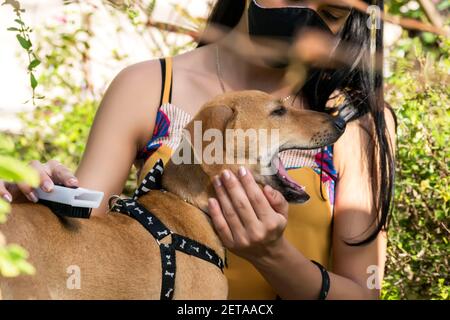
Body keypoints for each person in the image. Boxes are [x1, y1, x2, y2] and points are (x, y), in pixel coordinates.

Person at [0, 0, 396, 299]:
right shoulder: (149, 85)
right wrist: (38, 196)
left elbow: (365, 293)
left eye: (330, 13)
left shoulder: (353, 121)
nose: (305, 15)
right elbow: (83, 233)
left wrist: (272, 256)